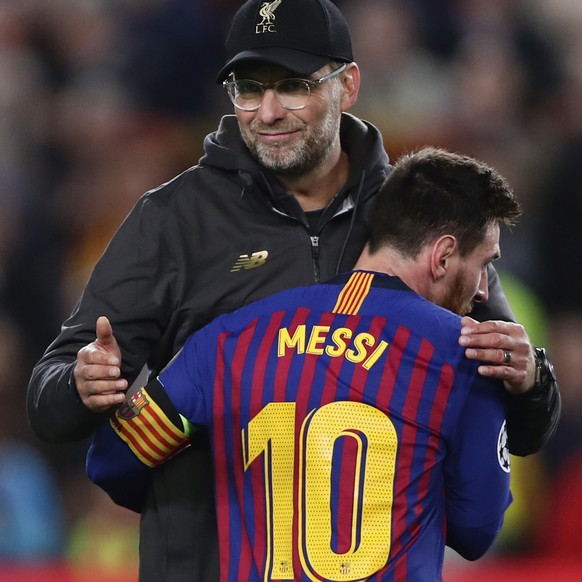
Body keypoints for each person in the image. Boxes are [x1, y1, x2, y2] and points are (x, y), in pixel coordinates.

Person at [27, 0, 560, 580]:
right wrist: (82, 385)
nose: (269, 111)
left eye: (294, 86)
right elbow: (51, 404)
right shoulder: (172, 221)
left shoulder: (412, 214)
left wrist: (531, 380)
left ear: (347, 85)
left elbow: (518, 406)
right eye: (249, 88)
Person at [88, 146, 518, 580]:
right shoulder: (464, 354)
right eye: (483, 264)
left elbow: (112, 460)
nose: (483, 291)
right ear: (442, 255)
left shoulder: (229, 338)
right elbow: (476, 531)